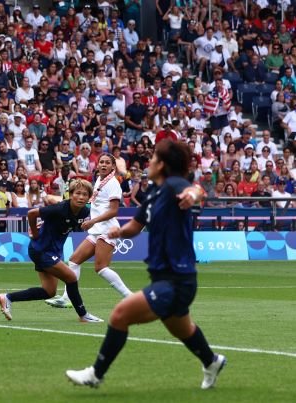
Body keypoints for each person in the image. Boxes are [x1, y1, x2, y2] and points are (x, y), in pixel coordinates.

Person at [66, 139, 226, 390]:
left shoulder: (176, 185)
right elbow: (134, 227)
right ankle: (212, 361)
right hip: (164, 276)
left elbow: (197, 192)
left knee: (120, 315)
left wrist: (192, 195)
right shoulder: (153, 193)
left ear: (162, 164)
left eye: (153, 158)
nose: (148, 162)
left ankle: (95, 374)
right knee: (182, 329)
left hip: (177, 279)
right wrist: (118, 233)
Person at [0, 179, 102, 323]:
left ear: (89, 197)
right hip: (41, 249)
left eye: (85, 194)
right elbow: (32, 213)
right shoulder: (60, 208)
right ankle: (83, 315)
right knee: (71, 278)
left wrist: (87, 225)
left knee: (49, 291)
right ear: (70, 195)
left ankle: (7, 298)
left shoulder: (85, 211)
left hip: (51, 251)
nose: (81, 197)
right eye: (78, 193)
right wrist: (35, 232)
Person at [45, 154, 132, 309]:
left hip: (108, 229)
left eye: (107, 163)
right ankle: (67, 298)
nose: (103, 165)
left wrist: (92, 221)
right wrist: (89, 219)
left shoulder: (112, 183)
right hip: (97, 229)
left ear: (113, 166)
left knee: (101, 268)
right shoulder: (99, 180)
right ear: (97, 165)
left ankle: (129, 297)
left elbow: (113, 211)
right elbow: (96, 206)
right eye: (101, 162)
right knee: (74, 260)